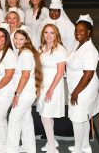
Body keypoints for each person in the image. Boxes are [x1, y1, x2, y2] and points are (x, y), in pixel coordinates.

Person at [6, 28, 43, 153]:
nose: (17, 41)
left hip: (25, 93)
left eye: (21, 39)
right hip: (27, 92)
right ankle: (29, 147)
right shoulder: (24, 52)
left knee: (13, 118)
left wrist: (17, 94)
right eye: (15, 38)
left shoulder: (26, 54)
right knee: (26, 119)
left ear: (26, 40)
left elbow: (25, 76)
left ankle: (11, 149)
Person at [67, 15, 99, 153]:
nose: (78, 33)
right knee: (83, 117)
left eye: (82, 31)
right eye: (76, 30)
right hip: (79, 86)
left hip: (83, 88)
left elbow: (88, 75)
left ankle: (78, 149)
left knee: (77, 118)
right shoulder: (78, 43)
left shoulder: (90, 50)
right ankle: (85, 146)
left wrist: (75, 92)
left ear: (89, 32)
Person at [37, 24, 67, 153]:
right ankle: (52, 142)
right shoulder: (43, 48)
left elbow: (60, 72)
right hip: (44, 85)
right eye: (46, 32)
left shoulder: (60, 49)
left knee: (45, 116)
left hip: (53, 86)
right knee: (48, 115)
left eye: (52, 33)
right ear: (43, 34)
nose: (48, 36)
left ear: (56, 35)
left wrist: (50, 89)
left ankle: (52, 149)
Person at [0, 27, 16, 153]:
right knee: (1, 119)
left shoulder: (9, 53)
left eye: (2, 36)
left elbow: (9, 75)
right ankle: (5, 146)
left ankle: (1, 149)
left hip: (4, 90)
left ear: (7, 38)